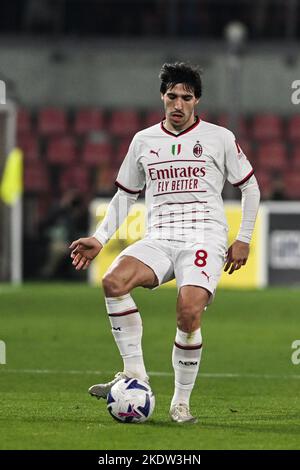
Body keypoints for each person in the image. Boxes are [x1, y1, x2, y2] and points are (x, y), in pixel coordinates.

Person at [69, 62, 260, 424]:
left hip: (204, 235)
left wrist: (244, 238)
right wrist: (99, 237)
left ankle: (180, 402)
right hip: (159, 236)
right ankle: (135, 375)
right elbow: (124, 195)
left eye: (186, 97)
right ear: (162, 97)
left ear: (197, 101)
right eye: (172, 96)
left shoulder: (219, 137)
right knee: (113, 281)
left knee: (188, 312)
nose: (178, 104)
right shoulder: (143, 140)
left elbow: (250, 187)